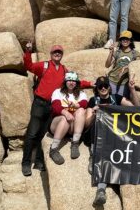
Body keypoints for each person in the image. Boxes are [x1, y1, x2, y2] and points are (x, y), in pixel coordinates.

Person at [84, 75, 135, 207]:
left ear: (109, 87)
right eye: (100, 86)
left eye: (105, 85)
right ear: (97, 88)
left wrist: (132, 90)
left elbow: (136, 108)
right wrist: (94, 113)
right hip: (98, 136)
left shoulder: (116, 99)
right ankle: (93, 156)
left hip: (114, 137)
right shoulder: (93, 100)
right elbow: (87, 123)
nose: (103, 88)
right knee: (97, 125)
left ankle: (101, 190)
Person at [21, 41, 68, 176]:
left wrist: (91, 83)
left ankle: (39, 162)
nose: (57, 54)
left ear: (62, 55)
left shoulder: (64, 70)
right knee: (32, 133)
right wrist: (28, 52)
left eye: (59, 52)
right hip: (39, 104)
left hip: (52, 106)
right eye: (55, 52)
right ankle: (26, 163)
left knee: (43, 135)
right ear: (51, 54)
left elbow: (74, 82)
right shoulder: (45, 65)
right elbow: (28, 66)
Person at [48, 71, 91, 165]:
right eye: (69, 80)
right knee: (64, 118)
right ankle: (53, 149)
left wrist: (76, 105)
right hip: (58, 124)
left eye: (73, 81)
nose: (71, 83)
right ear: (65, 82)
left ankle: (75, 143)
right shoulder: (57, 92)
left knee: (81, 111)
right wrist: (66, 113)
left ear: (77, 82)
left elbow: (84, 103)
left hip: (72, 127)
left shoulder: (81, 93)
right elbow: (55, 107)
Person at [105, 30, 140, 106]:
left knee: (121, 101)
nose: (125, 40)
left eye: (127, 39)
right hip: (112, 80)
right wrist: (111, 52)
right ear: (120, 41)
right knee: (113, 101)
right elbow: (107, 65)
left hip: (124, 82)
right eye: (122, 39)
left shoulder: (135, 54)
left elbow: (138, 65)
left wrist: (126, 67)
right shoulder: (117, 52)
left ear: (131, 41)